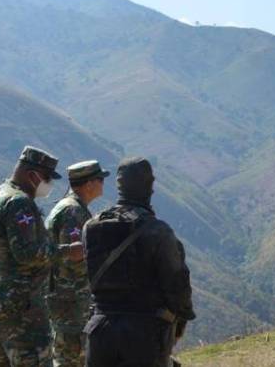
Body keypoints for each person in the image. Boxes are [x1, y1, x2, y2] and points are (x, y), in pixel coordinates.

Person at [83, 157, 194, 367]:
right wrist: (180, 322)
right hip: (144, 334)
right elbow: (177, 285)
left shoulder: (91, 227)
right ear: (149, 187)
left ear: (119, 186)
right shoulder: (158, 231)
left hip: (99, 331)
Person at [0, 145, 78, 367]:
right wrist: (68, 251)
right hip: (24, 310)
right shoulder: (19, 203)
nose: (49, 185)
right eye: (47, 178)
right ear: (32, 175)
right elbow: (28, 254)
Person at [45, 160, 109, 367]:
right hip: (70, 300)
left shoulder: (73, 208)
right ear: (89, 184)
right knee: (72, 357)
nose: (103, 183)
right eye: (100, 179)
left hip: (69, 299)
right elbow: (74, 257)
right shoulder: (72, 212)